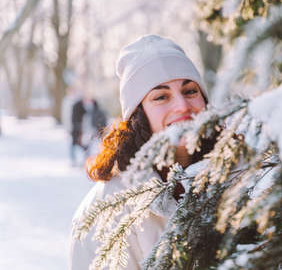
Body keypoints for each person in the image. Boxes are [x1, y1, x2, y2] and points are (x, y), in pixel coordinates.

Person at [69, 35, 213, 269]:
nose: (183, 106)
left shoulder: (244, 177)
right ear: (138, 116)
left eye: (190, 91)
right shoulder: (105, 213)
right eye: (161, 96)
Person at [70, 95, 107, 165]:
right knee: (87, 147)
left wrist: (98, 130)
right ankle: (86, 161)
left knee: (93, 147)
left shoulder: (96, 111)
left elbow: (101, 122)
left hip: (95, 132)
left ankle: (91, 161)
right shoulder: (89, 111)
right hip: (90, 132)